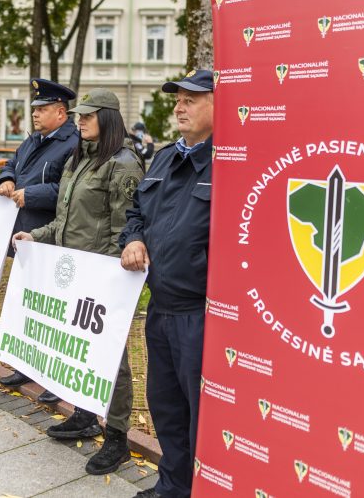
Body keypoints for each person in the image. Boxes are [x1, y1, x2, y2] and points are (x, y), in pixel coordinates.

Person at [13, 89, 144, 475]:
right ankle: (85, 415)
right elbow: (65, 220)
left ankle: (117, 437)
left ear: (108, 118)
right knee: (81, 349)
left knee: (113, 360)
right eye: (78, 115)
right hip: (73, 274)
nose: (79, 120)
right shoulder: (78, 160)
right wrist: (36, 236)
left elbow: (128, 232)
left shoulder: (123, 165)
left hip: (104, 278)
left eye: (88, 116)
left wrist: (105, 274)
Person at [119, 69, 215, 498]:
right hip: (160, 310)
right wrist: (135, 237)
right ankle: (173, 486)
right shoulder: (162, 157)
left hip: (203, 315)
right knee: (167, 406)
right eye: (177, 98)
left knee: (204, 416)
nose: (179, 106)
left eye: (191, 98)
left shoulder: (232, 161)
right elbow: (135, 212)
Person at [0, 78, 78, 402]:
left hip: (49, 237)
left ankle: (53, 376)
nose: (35, 114)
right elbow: (13, 164)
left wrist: (32, 194)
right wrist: (6, 178)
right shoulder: (32, 140)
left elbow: (69, 191)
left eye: (42, 109)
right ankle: (26, 366)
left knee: (51, 312)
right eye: (34, 109)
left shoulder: (72, 144)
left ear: (61, 112)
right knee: (25, 305)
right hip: (24, 237)